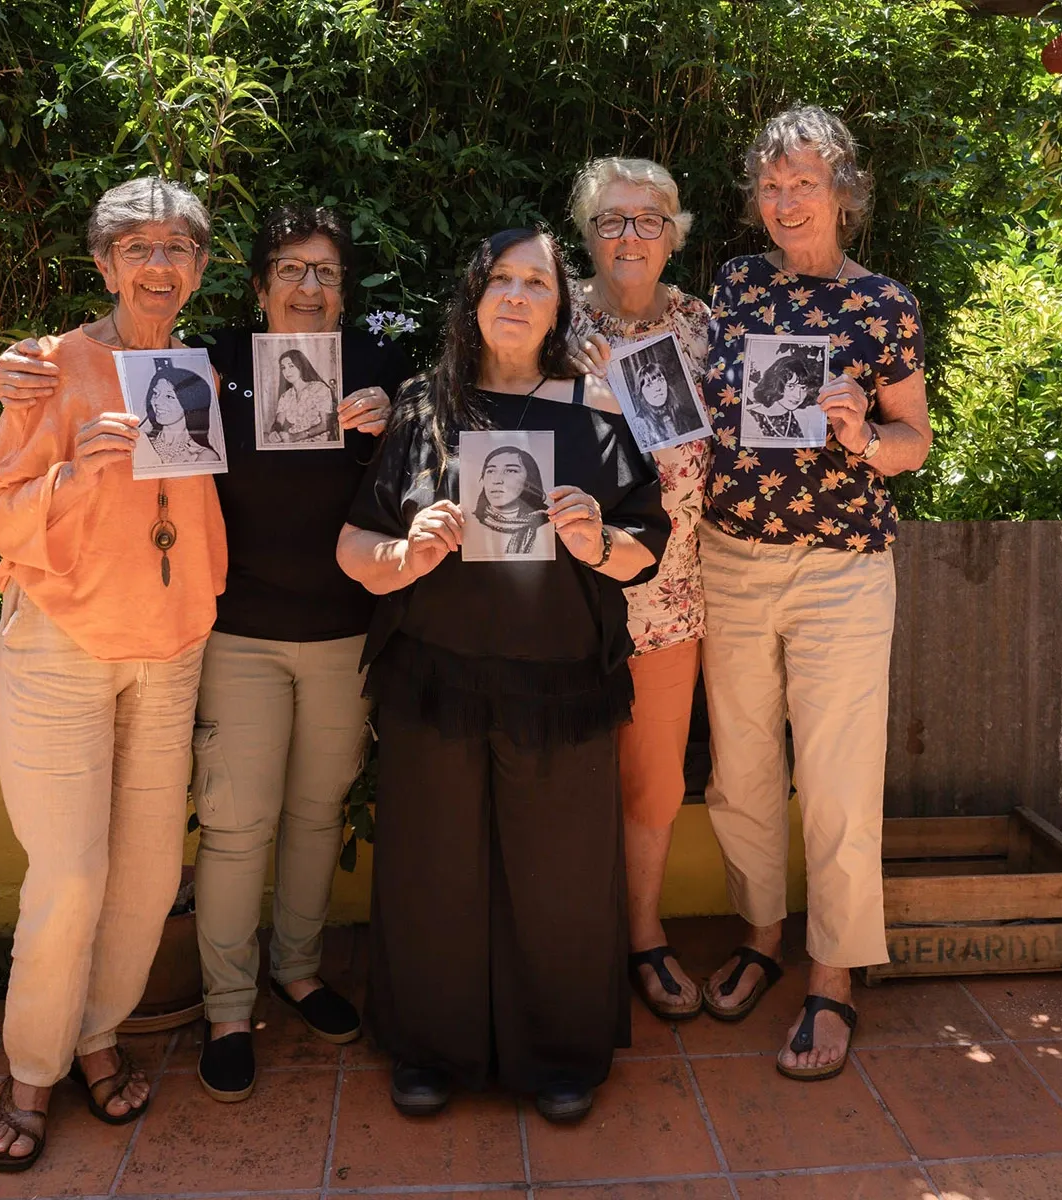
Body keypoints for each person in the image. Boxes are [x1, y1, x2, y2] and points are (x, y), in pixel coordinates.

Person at [0, 203, 408, 1105]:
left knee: (249, 839)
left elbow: (421, 468)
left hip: (255, 638)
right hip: (197, 635)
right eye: (289, 269)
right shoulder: (198, 365)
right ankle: (197, 1017)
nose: (307, 287)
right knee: (187, 839)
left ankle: (251, 986)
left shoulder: (358, 366)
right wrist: (23, 385)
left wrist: (394, 420)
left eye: (326, 272)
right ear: (255, 285)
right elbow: (12, 488)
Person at [336, 227, 670, 1122]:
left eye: (537, 283)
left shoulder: (597, 407)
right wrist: (402, 555)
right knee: (433, 868)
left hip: (560, 685)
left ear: (560, 307)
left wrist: (596, 541)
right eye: (500, 280)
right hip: (435, 680)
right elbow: (355, 542)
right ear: (473, 297)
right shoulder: (423, 405)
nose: (517, 296)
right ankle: (430, 1050)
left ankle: (560, 1055)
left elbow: (643, 549)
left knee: (560, 874)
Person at [0, 177, 227, 1171]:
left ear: (199, 267)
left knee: (148, 877)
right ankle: (32, 1070)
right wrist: (77, 471)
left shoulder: (200, 372)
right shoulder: (49, 367)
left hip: (169, 651)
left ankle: (96, 1035)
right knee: (71, 875)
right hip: (62, 648)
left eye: (178, 248)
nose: (160, 265)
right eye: (138, 248)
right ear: (105, 265)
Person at [700, 105, 932, 1080]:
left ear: (843, 191)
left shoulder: (884, 305)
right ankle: (763, 935)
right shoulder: (735, 283)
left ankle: (832, 976)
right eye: (771, 184)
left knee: (837, 779)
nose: (786, 199)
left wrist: (864, 437)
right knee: (742, 767)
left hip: (842, 566)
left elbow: (915, 441)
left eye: (803, 181)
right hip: (730, 557)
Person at [568, 156, 711, 1021]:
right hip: (566, 595)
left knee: (654, 780)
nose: (630, 236)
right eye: (612, 220)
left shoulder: (701, 325)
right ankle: (572, 942)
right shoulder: (552, 315)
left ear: (673, 235)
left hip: (670, 593)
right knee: (564, 773)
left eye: (648, 219)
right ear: (588, 235)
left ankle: (645, 937)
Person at [472, 444, 552, 555]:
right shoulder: (469, 525)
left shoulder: (550, 526)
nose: (497, 480)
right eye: (491, 471)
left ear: (529, 480)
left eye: (510, 471)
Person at [142, 359, 221, 464]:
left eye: (169, 396)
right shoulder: (142, 443)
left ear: (190, 403)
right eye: (156, 393)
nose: (157, 401)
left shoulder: (203, 456)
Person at [742, 352, 825, 442]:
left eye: (803, 388)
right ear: (775, 384)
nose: (798, 395)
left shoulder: (801, 418)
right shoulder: (749, 417)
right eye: (791, 386)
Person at [270, 348, 336, 442]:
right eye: (283, 368)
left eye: (291, 366)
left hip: (317, 442)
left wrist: (295, 437)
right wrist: (274, 432)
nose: (287, 372)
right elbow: (278, 422)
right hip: (293, 441)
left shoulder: (319, 388)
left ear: (301, 365)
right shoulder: (286, 396)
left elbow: (325, 425)